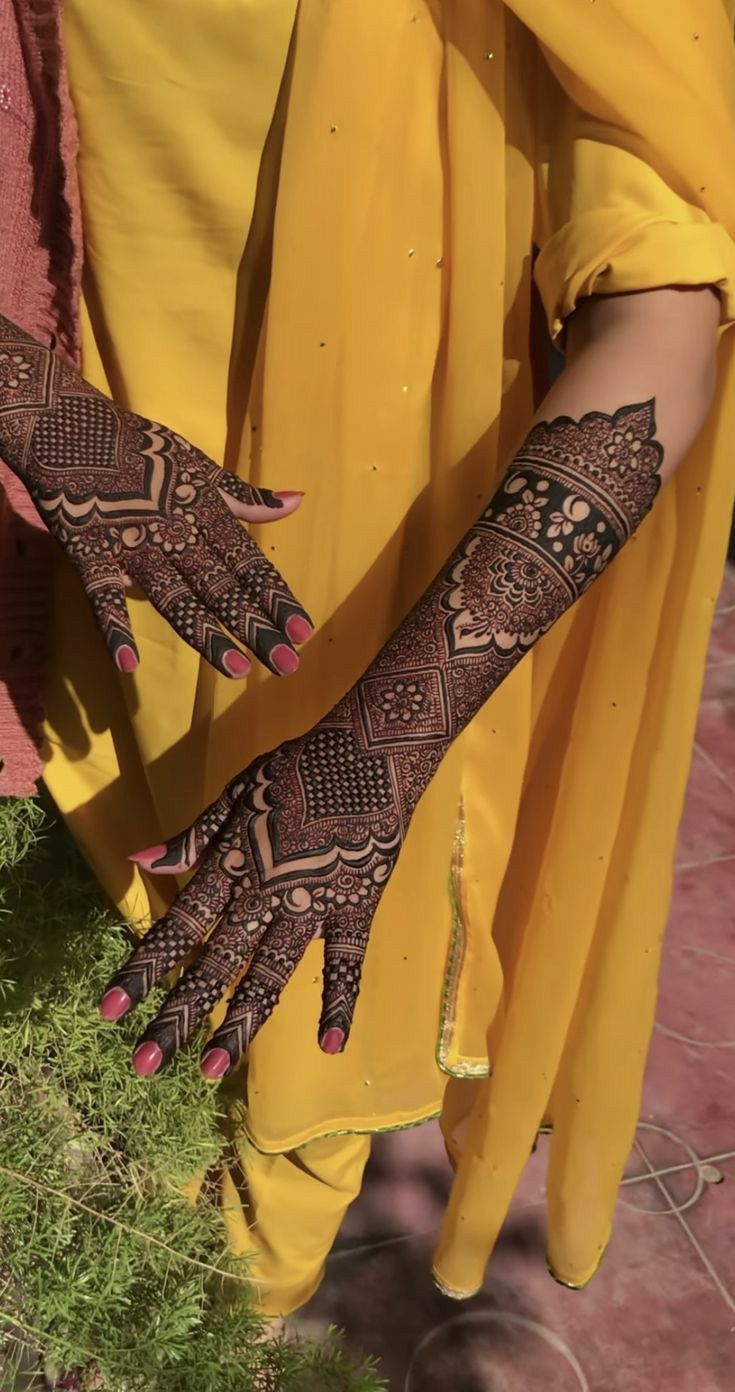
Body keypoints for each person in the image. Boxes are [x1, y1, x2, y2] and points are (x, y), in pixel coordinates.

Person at [2, 0, 735, 1314]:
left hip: (339, 717)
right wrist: (29, 400)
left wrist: (372, 752)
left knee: (242, 1198)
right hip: (36, 638)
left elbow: (665, 312)